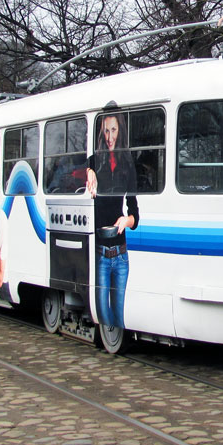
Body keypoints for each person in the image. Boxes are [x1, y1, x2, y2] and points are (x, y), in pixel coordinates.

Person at [86, 102, 139, 329]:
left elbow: (135, 213)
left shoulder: (128, 165)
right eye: (106, 130)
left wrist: (125, 221)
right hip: (100, 252)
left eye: (114, 130)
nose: (110, 136)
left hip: (121, 252)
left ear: (121, 130)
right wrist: (89, 172)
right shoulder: (96, 160)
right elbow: (79, 167)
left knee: (119, 313)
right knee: (102, 312)